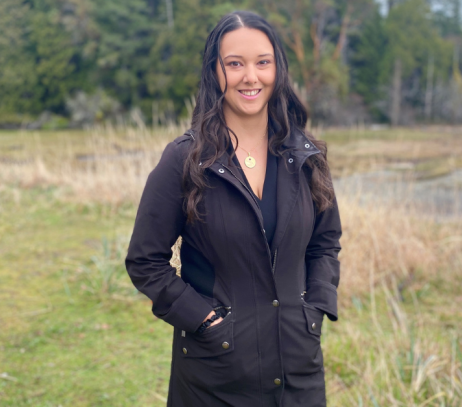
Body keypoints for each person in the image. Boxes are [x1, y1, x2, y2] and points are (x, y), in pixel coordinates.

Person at [125, 10, 341, 406]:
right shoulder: (185, 160)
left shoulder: (305, 156)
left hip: (298, 370)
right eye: (235, 64)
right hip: (215, 374)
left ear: (279, 68)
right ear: (215, 72)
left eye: (263, 62)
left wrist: (317, 307)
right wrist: (204, 321)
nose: (251, 77)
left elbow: (325, 243)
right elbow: (145, 261)